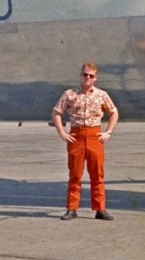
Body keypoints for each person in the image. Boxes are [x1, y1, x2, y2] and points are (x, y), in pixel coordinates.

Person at [51, 63, 119, 221]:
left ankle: (100, 209)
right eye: (85, 75)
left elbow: (114, 112)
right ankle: (72, 209)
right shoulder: (70, 94)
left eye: (91, 76)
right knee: (75, 174)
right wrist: (62, 132)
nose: (88, 78)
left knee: (97, 174)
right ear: (80, 75)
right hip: (77, 136)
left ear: (96, 78)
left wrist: (108, 131)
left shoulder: (101, 95)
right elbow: (56, 112)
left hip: (95, 135)